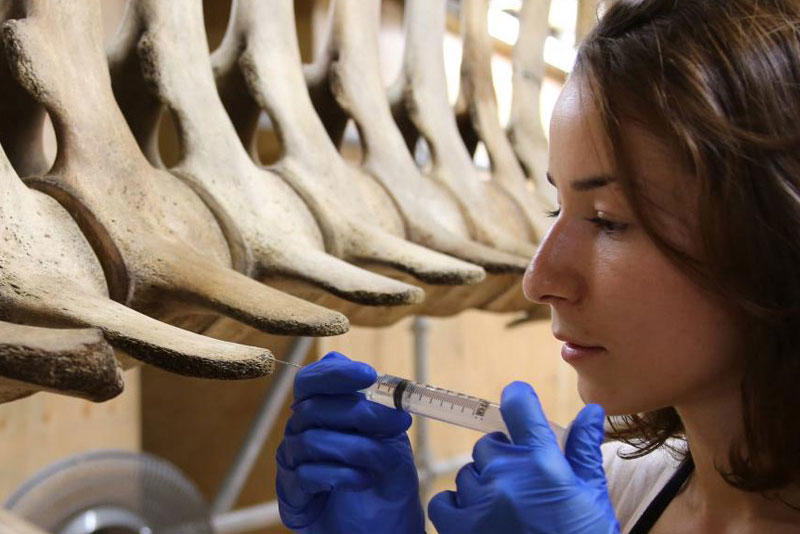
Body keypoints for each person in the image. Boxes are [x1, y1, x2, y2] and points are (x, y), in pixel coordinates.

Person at [275, 0, 800, 532]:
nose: (539, 280)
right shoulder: (622, 486)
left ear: (777, 235)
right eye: (556, 206)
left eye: (608, 220)